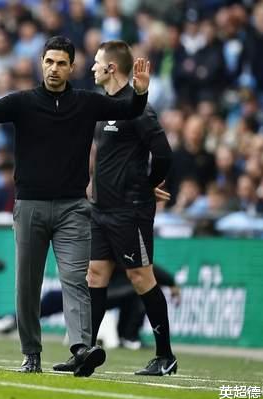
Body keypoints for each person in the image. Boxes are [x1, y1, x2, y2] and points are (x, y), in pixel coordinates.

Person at [0, 35, 151, 376]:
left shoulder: (86, 103)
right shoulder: (23, 102)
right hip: (29, 206)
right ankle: (31, 353)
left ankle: (81, 348)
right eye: (49, 61)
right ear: (41, 63)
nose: (54, 68)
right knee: (27, 285)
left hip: (73, 208)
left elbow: (129, 110)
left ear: (71, 68)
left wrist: (139, 92)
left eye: (61, 63)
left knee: (76, 280)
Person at [56, 40, 177, 376]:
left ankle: (165, 355)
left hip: (130, 211)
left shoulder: (138, 108)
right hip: (101, 210)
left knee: (141, 277)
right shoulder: (105, 107)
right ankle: (84, 351)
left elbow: (164, 154)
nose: (92, 67)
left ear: (111, 68)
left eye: (97, 62)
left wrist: (148, 185)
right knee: (95, 275)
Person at [0, 264, 181, 351]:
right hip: (93, 291)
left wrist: (171, 282)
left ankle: (129, 336)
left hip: (102, 293)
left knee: (140, 292)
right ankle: (6, 321)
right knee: (51, 300)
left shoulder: (124, 250)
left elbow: (148, 269)